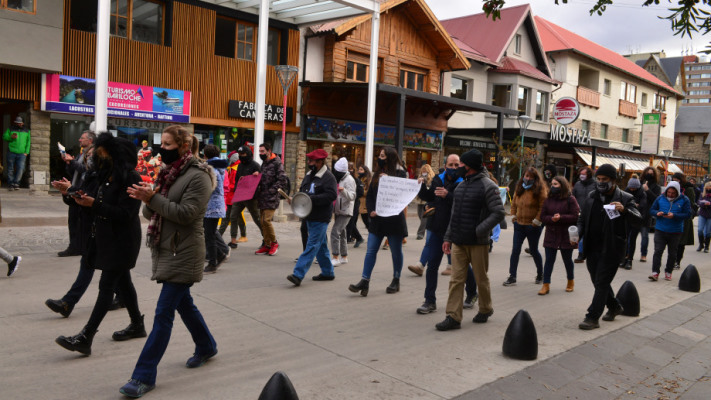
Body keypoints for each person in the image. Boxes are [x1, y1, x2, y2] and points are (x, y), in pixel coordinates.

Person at [121, 125, 217, 398]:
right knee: (184, 305)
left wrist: (153, 197)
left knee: (163, 313)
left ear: (184, 146)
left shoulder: (200, 176)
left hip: (185, 251)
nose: (161, 149)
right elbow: (150, 213)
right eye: (160, 143)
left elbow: (186, 214)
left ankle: (143, 376)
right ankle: (207, 345)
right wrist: (147, 197)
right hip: (167, 248)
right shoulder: (168, 173)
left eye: (168, 145)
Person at [55, 133, 146, 356]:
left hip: (123, 240)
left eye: (103, 155)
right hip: (106, 237)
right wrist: (70, 193)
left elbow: (126, 214)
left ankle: (86, 336)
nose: (98, 159)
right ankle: (137, 324)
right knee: (123, 283)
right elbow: (88, 199)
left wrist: (94, 204)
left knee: (106, 287)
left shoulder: (131, 178)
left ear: (116, 156)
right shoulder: (106, 175)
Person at [435, 149, 505, 331]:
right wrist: (448, 238)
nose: (457, 168)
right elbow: (454, 215)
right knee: (456, 280)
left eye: (460, 165)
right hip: (458, 241)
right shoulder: (460, 186)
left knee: (481, 279)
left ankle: (485, 308)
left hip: (478, 243)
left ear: (470, 166)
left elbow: (498, 213)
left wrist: (479, 231)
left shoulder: (488, 186)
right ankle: (453, 317)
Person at [409, 154, 479, 314]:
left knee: (461, 265)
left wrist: (448, 196)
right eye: (451, 165)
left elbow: (465, 203)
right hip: (436, 228)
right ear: (445, 165)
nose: (453, 168)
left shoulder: (464, 182)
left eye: (456, 165)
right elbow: (429, 196)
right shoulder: (437, 180)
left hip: (455, 230)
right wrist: (420, 186)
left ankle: (472, 293)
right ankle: (429, 301)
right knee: (432, 266)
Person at [574, 164, 642, 330]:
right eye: (599, 179)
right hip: (592, 247)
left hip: (612, 248)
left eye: (604, 179)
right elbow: (582, 219)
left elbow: (639, 219)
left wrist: (625, 210)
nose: (601, 182)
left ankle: (592, 317)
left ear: (613, 180)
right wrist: (577, 235)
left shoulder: (625, 198)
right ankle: (614, 306)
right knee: (598, 282)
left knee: (602, 282)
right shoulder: (592, 196)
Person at [348, 147, 408, 296]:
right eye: (379, 155)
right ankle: (364, 281)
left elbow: (402, 194)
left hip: (394, 219)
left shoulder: (400, 173)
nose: (379, 158)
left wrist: (387, 181)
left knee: (395, 251)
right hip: (377, 219)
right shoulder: (376, 173)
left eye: (382, 155)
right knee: (371, 251)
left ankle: (396, 279)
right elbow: (370, 196)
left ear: (390, 158)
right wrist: (371, 210)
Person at [287, 149, 338, 286]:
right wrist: (295, 198)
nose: (309, 163)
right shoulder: (309, 175)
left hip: (321, 217)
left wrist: (311, 199)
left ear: (320, 162)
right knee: (320, 246)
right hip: (309, 215)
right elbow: (303, 192)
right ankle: (328, 272)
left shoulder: (329, 177)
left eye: (311, 161)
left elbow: (331, 195)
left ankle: (298, 274)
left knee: (312, 245)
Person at [503, 167, 547, 286]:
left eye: (530, 177)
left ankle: (540, 274)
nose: (527, 179)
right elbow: (514, 203)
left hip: (532, 226)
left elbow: (542, 208)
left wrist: (537, 221)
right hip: (519, 225)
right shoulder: (520, 187)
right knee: (515, 250)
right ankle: (512, 276)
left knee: (533, 250)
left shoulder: (539, 189)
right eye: (526, 176)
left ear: (535, 179)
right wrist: (513, 216)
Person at [538, 176, 580, 295]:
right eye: (552, 184)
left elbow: (575, 216)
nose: (552, 186)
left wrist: (561, 218)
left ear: (562, 185)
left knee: (567, 260)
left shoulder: (570, 199)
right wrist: (551, 219)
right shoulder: (548, 199)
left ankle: (570, 281)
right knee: (549, 261)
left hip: (566, 235)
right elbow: (543, 216)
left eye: (555, 184)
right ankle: (546, 285)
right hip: (551, 233)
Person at [58, 130, 96, 257]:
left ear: (90, 140)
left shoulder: (92, 155)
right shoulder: (82, 154)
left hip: (82, 192)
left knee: (79, 222)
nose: (79, 140)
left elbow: (86, 170)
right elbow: (75, 172)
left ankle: (77, 247)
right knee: (73, 221)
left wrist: (72, 162)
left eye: (82, 138)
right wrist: (69, 163)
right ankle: (75, 246)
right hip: (75, 190)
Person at [648, 181, 691, 281]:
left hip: (675, 231)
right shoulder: (660, 198)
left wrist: (675, 216)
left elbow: (688, 214)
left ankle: (668, 271)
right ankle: (655, 272)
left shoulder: (684, 200)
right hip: (660, 229)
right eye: (669, 192)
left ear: (677, 192)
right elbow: (652, 210)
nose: (670, 195)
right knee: (658, 251)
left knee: (672, 253)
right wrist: (657, 213)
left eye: (673, 193)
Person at [255, 143, 287, 256]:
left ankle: (274, 243)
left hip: (272, 197)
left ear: (269, 151)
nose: (260, 153)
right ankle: (267, 244)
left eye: (262, 151)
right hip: (262, 196)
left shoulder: (277, 163)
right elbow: (263, 177)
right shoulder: (264, 163)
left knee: (266, 221)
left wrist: (271, 191)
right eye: (260, 151)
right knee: (262, 222)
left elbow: (282, 180)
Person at [203, 145, 230, 274]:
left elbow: (211, 186)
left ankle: (213, 262)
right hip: (216, 205)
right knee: (210, 233)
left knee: (209, 235)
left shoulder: (211, 168)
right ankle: (220, 255)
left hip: (212, 206)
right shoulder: (219, 166)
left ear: (205, 155)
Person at [330, 157, 356, 266]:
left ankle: (335, 256)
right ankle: (344, 256)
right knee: (342, 233)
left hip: (345, 211)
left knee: (335, 232)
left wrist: (343, 190)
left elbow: (352, 196)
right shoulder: (340, 179)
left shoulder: (349, 180)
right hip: (339, 209)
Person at [218, 152, 246, 247]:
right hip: (232, 198)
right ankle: (235, 238)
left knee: (228, 219)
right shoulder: (234, 168)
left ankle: (218, 238)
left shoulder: (234, 169)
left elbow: (234, 185)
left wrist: (225, 187)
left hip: (232, 198)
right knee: (234, 219)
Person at [619, 175, 647, 270]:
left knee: (632, 239)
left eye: (634, 187)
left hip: (636, 219)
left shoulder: (642, 193)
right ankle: (624, 258)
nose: (632, 189)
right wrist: (634, 205)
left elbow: (642, 206)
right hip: (626, 218)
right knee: (625, 239)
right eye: (631, 187)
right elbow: (623, 204)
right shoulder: (625, 192)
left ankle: (630, 259)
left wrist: (633, 207)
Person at [672, 172, 696, 269]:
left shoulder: (688, 189)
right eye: (673, 179)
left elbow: (691, 203)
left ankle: (677, 261)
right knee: (673, 241)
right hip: (673, 216)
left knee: (681, 241)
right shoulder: (672, 188)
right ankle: (672, 260)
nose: (675, 181)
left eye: (677, 180)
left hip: (684, 218)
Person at [572, 167, 594, 263]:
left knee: (585, 235)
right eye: (581, 174)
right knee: (578, 233)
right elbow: (573, 197)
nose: (582, 175)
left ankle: (581, 255)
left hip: (591, 213)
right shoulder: (577, 184)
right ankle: (579, 252)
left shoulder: (595, 185)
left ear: (588, 175)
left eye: (584, 174)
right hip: (579, 212)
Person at [639, 166, 662, 262]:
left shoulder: (657, 187)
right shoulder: (639, 183)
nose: (649, 174)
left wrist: (647, 190)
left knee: (645, 235)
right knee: (631, 235)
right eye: (647, 172)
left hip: (647, 213)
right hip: (637, 211)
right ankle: (628, 254)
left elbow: (656, 200)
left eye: (651, 173)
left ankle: (643, 254)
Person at [3, 116, 31, 190]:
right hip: (11, 151)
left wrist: (26, 152)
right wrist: (11, 137)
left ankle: (16, 182)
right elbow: (4, 137)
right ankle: (11, 184)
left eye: (20, 123)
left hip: (22, 153)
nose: (18, 124)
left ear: (22, 123)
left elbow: (28, 142)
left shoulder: (27, 131)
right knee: (10, 168)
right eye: (17, 123)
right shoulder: (10, 129)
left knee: (21, 168)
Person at [346, 162, 365, 248]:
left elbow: (360, 192)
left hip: (354, 203)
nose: (348, 170)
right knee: (347, 222)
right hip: (346, 203)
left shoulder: (356, 180)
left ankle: (358, 237)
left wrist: (352, 196)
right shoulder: (345, 179)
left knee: (350, 221)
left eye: (350, 168)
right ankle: (349, 237)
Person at [356, 165, 372, 233]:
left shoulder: (368, 180)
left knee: (367, 221)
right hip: (359, 202)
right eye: (359, 169)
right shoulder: (358, 179)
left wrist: (360, 192)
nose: (359, 171)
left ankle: (372, 234)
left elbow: (368, 191)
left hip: (365, 203)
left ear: (365, 171)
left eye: (361, 169)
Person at [697, 181, 711, 253]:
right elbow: (699, 202)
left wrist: (709, 204)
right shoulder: (702, 194)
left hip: (710, 215)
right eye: (707, 187)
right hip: (702, 213)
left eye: (710, 187)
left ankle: (706, 246)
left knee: (708, 232)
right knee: (700, 230)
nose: (709, 188)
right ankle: (701, 244)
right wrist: (703, 203)